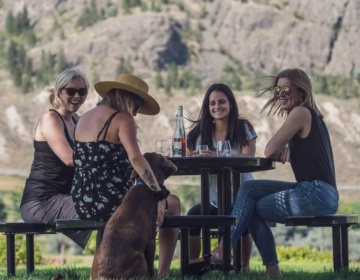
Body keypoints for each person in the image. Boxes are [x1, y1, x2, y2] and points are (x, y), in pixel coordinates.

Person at [205, 68, 339, 276]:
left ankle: (226, 251)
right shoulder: (311, 116)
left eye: (286, 89)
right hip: (320, 193)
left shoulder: (300, 112)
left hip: (315, 193)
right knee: (249, 191)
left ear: (301, 92)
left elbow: (268, 150)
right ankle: (269, 269)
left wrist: (278, 151)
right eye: (277, 91)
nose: (281, 94)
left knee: (251, 203)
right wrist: (283, 151)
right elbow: (276, 151)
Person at [71, 73, 181, 277]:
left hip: (83, 200)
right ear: (125, 96)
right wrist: (158, 193)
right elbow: (136, 158)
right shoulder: (122, 119)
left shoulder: (84, 117)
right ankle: (162, 272)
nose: (138, 110)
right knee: (172, 204)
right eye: (138, 103)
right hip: (112, 199)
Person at [186, 83, 257, 272]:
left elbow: (249, 156)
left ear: (231, 104)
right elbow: (186, 155)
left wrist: (218, 158)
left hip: (242, 195)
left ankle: (244, 267)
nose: (217, 106)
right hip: (214, 199)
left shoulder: (243, 127)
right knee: (193, 216)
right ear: (207, 108)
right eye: (212, 103)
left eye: (222, 102)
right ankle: (196, 265)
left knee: (243, 221)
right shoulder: (201, 132)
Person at [20, 68, 91, 248]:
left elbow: (94, 147)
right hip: (40, 202)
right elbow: (69, 158)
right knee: (99, 208)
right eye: (71, 91)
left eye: (82, 92)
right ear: (59, 92)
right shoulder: (50, 119)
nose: (77, 96)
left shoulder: (76, 119)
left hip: (66, 197)